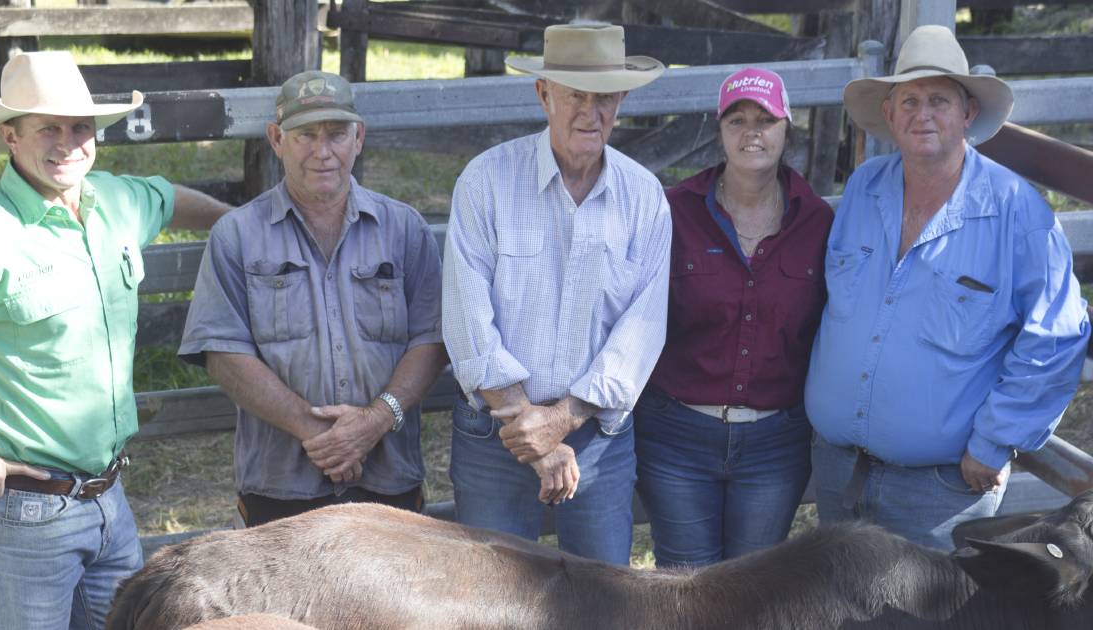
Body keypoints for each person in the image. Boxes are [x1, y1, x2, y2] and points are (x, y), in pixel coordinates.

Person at [0, 51, 230, 629]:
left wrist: (243, 228)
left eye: (81, 127)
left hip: (108, 499)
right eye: (48, 127)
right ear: (10, 136)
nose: (69, 142)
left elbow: (169, 196)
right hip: (19, 511)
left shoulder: (114, 203)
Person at [805, 25, 1090, 550]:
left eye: (939, 99)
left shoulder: (1015, 211)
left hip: (941, 487)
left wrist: (995, 441)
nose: (923, 113)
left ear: (968, 114)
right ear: (889, 117)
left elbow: (1056, 336)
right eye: (909, 100)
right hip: (839, 470)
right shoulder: (866, 187)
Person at [442, 23, 671, 565]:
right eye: (575, 96)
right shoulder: (486, 181)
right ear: (544, 94)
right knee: (488, 600)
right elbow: (466, 317)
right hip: (494, 432)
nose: (590, 114)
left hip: (597, 432)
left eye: (606, 98)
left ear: (622, 102)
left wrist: (561, 419)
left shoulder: (644, 198)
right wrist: (530, 426)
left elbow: (643, 329)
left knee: (601, 599)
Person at [179, 70, 447, 527]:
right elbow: (223, 352)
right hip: (282, 481)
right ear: (276, 139)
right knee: (283, 602)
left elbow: (433, 338)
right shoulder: (238, 235)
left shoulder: (404, 228)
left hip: (388, 476)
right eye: (305, 135)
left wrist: (375, 422)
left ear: (358, 138)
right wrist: (319, 434)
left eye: (336, 134)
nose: (322, 152)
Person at [634, 67, 833, 567]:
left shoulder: (820, 222)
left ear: (787, 128)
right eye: (737, 119)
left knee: (754, 588)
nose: (752, 132)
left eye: (766, 120)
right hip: (677, 433)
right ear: (719, 130)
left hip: (774, 440)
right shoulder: (672, 212)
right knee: (686, 584)